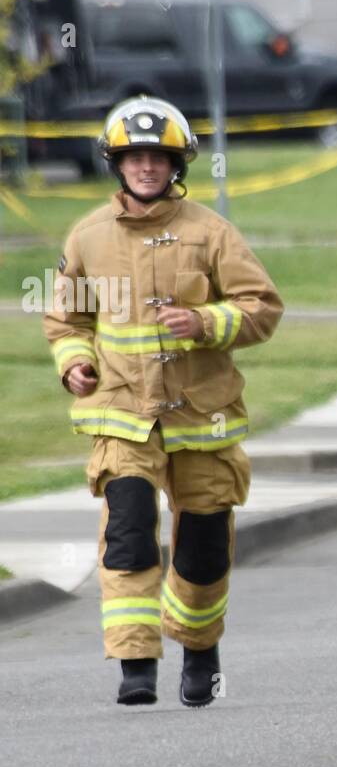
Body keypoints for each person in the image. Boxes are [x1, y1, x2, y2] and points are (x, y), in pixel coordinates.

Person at [42, 95, 283, 707]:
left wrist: (205, 322)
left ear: (177, 164)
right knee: (128, 534)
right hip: (124, 417)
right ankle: (135, 663)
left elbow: (262, 308)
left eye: (158, 157)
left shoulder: (211, 232)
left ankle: (199, 650)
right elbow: (65, 319)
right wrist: (75, 362)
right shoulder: (88, 237)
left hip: (203, 420)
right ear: (116, 164)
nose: (146, 167)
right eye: (134, 157)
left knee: (202, 550)